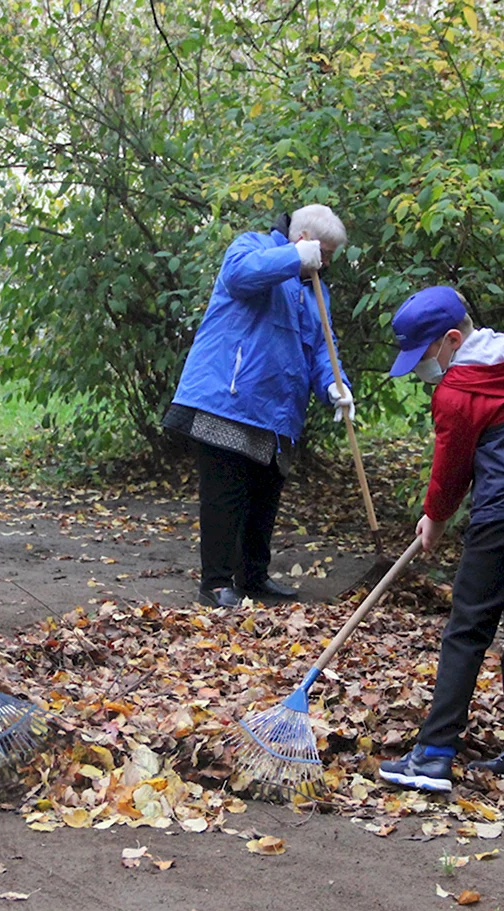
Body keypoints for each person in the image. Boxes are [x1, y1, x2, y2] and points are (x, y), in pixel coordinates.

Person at [376, 286, 504, 791]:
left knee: (467, 630)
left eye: (424, 354)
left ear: (451, 339)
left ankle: (431, 756)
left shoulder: (457, 391)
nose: (423, 367)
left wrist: (436, 517)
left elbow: (451, 467)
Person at [165, 204, 355, 608]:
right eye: (325, 254)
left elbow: (324, 348)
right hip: (227, 399)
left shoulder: (314, 290)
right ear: (304, 243)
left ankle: (252, 577)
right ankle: (215, 584)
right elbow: (240, 276)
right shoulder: (252, 247)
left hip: (277, 411)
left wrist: (336, 387)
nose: (327, 264)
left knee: (264, 496)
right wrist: (293, 257)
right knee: (225, 494)